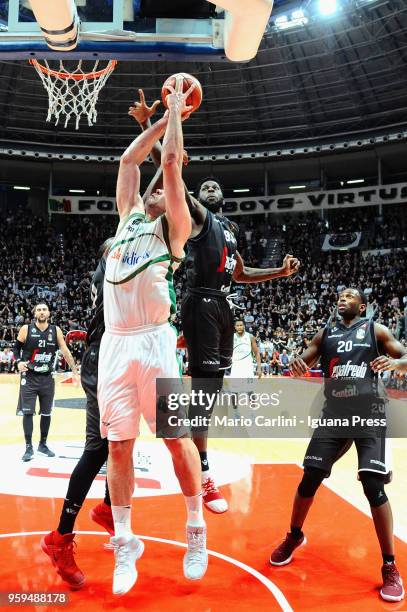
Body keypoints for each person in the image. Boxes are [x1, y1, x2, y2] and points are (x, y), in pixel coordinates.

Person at [128, 90, 300, 514]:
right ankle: (201, 472)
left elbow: (240, 273)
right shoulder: (199, 218)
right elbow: (172, 181)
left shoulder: (230, 229)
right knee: (203, 391)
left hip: (223, 304)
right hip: (201, 301)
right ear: (200, 198)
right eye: (203, 185)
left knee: (211, 391)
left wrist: (278, 272)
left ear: (223, 197)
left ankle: (189, 445)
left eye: (214, 185)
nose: (208, 187)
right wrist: (150, 129)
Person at [98, 78, 208, 596]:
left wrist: (177, 113)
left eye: (167, 187)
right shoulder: (125, 219)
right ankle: (125, 544)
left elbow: (165, 165)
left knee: (174, 439)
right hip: (115, 344)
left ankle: (195, 529)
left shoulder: (175, 228)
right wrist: (162, 118)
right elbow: (128, 162)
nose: (157, 191)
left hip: (155, 342)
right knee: (118, 447)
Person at [269, 288, 407, 603]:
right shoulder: (326, 333)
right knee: (309, 478)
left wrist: (398, 365)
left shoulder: (376, 330)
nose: (342, 298)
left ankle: (390, 566)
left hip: (370, 413)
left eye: (350, 295)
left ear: (363, 305)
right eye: (340, 295)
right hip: (334, 414)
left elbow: (405, 356)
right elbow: (301, 360)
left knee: (373, 485)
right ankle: (294, 536)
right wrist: (296, 363)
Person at [41, 238, 115, 589]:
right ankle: (60, 537)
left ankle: (108, 507)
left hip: (117, 357)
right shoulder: (111, 266)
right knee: (98, 448)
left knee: (121, 443)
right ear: (106, 256)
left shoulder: (112, 269)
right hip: (104, 361)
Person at [13, 302, 79, 462]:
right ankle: (29, 447)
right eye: (39, 310)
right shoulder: (26, 329)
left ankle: (43, 444)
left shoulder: (55, 330)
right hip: (29, 377)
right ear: (35, 313)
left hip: (47, 378)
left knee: (46, 412)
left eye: (44, 310)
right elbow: (16, 348)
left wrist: (75, 371)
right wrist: (18, 362)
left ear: (49, 313)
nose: (42, 312)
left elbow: (65, 350)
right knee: (28, 412)